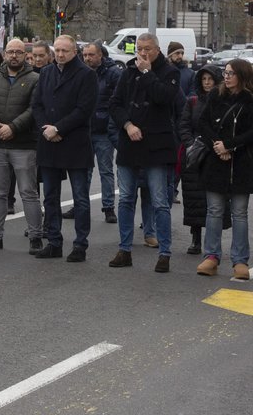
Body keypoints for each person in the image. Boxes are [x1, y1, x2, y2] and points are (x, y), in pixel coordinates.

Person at [109, 32, 183, 272]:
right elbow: (115, 104)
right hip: (130, 141)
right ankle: (124, 249)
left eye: (147, 49)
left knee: (160, 201)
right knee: (127, 199)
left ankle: (164, 253)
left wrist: (148, 73)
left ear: (157, 50)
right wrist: (127, 125)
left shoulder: (169, 72)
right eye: (139, 48)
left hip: (157, 145)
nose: (142, 53)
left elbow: (164, 98)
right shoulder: (128, 71)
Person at [30, 34, 99, 261]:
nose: (60, 55)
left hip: (74, 143)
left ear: (74, 52)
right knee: (50, 196)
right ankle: (54, 241)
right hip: (49, 143)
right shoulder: (47, 72)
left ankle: (80, 244)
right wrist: (45, 129)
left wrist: (58, 129)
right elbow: (37, 104)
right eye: (57, 51)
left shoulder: (86, 74)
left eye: (64, 51)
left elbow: (84, 109)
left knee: (80, 197)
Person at [0, 39, 41, 250]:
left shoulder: (35, 79)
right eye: (10, 52)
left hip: (24, 145)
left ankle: (36, 237)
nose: (14, 56)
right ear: (4, 55)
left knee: (28, 192)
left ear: (25, 55)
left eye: (18, 52)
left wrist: (13, 127)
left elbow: (34, 109)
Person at [196, 58, 253, 280]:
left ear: (242, 76)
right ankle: (211, 256)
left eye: (231, 73)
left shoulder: (250, 101)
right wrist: (218, 145)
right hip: (216, 161)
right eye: (225, 72)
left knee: (239, 213)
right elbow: (203, 123)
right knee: (214, 211)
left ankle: (240, 260)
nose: (226, 76)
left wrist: (230, 145)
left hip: (241, 164)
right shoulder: (215, 96)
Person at [178, 64, 222, 255]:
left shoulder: (222, 102)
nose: (207, 83)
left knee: (215, 202)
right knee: (194, 201)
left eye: (210, 79)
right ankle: (196, 239)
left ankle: (213, 242)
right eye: (204, 79)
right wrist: (190, 144)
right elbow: (184, 125)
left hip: (215, 155)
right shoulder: (193, 101)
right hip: (195, 156)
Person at [82, 41, 124, 224]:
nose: (87, 58)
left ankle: (108, 208)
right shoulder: (82, 72)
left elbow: (117, 101)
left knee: (106, 170)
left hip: (103, 130)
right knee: (83, 170)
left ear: (100, 55)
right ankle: (80, 205)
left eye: (91, 55)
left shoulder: (113, 73)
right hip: (84, 129)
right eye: (85, 55)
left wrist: (109, 123)